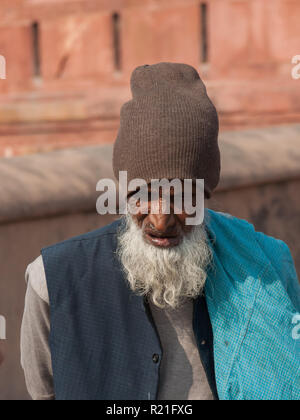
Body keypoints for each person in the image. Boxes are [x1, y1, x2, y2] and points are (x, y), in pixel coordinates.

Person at [21, 62, 300, 401]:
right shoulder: (52, 280)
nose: (161, 220)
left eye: (181, 196)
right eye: (144, 194)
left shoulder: (263, 268)